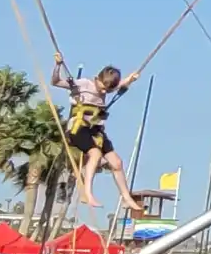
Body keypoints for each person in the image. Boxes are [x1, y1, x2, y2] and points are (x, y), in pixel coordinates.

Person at [51, 54, 146, 216]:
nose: (103, 92)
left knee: (117, 163)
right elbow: (56, 82)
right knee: (94, 154)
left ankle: (126, 197)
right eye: (102, 88)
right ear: (98, 78)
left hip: (96, 131)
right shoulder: (83, 84)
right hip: (77, 128)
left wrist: (131, 79)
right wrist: (58, 65)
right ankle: (87, 193)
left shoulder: (109, 87)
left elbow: (120, 86)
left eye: (107, 90)